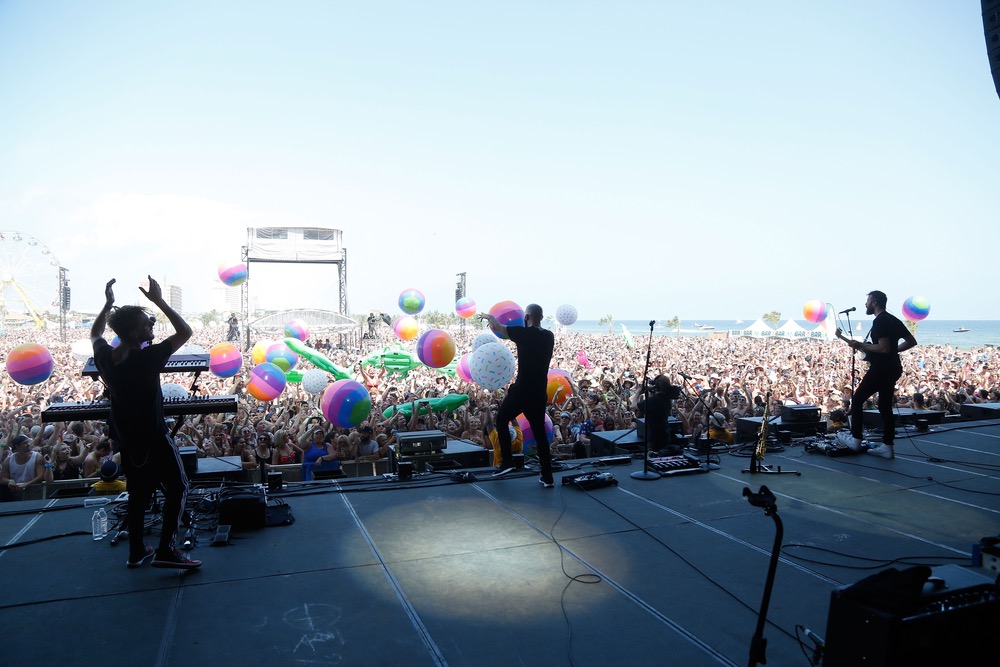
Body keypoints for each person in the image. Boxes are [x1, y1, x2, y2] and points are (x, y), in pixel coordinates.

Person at [91, 277, 201, 569]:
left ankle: (137, 549)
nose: (152, 325)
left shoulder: (104, 358)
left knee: (139, 493)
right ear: (133, 331)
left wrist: (107, 306)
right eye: (147, 323)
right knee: (178, 486)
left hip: (127, 439)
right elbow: (185, 331)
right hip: (153, 435)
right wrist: (159, 301)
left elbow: (96, 332)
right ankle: (167, 549)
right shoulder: (147, 358)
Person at [835, 290, 918, 459]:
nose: (865, 304)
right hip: (893, 366)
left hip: (882, 368)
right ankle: (888, 446)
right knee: (885, 406)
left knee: (857, 400)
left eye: (867, 301)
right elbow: (911, 342)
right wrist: (893, 351)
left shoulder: (880, 321)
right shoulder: (893, 319)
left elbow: (884, 347)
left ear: (874, 302)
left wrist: (865, 346)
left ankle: (856, 439)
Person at [479, 304, 555, 487]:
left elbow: (498, 327)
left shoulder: (523, 333)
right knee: (540, 435)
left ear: (526, 317)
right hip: (538, 392)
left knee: (502, 419)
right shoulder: (549, 336)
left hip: (522, 390)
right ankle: (547, 477)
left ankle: (507, 462)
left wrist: (489, 316)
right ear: (541, 317)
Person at [634, 375, 681, 455]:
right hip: (665, 435)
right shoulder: (667, 399)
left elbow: (633, 406)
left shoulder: (654, 400)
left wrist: (638, 392)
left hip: (654, 438)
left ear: (657, 386)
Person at [1, 434, 45, 501]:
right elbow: (2, 478)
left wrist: (27, 484)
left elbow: (41, 476)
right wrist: (9, 481)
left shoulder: (37, 457)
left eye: (28, 442)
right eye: (25, 443)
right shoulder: (8, 460)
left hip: (34, 494)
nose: (28, 445)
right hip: (15, 495)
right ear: (17, 446)